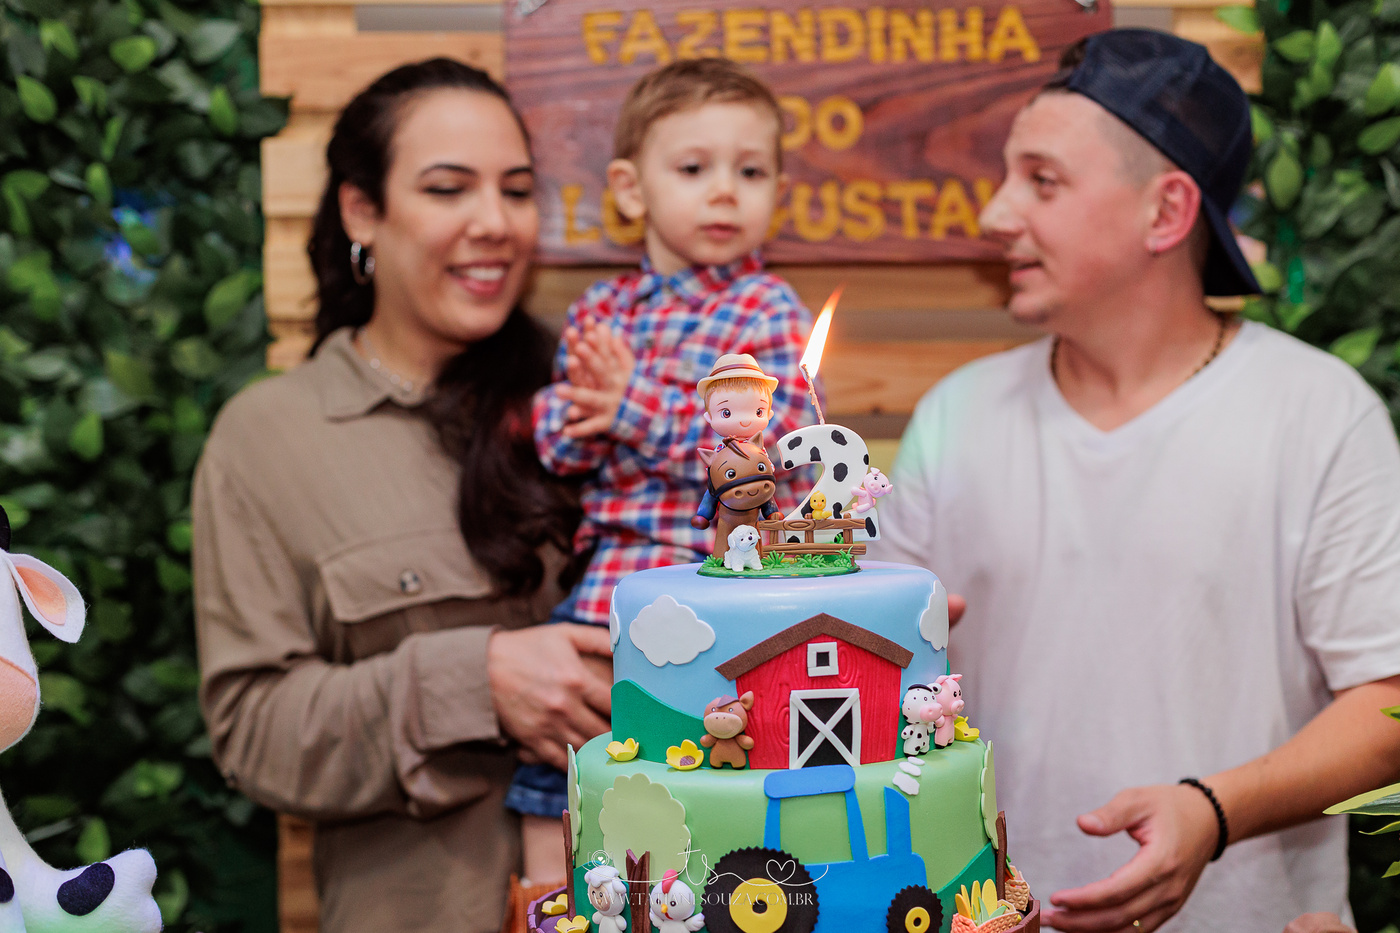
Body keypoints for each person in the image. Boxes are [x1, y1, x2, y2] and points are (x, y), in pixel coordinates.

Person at [871, 30, 1400, 932]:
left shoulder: (1318, 411)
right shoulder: (956, 414)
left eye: (1042, 181)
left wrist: (1214, 810)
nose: (996, 214)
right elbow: (870, 683)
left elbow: (1386, 702)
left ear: (1166, 213)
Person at [192, 59, 612, 933]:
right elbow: (253, 733)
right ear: (362, 211)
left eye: (517, 190)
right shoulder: (270, 438)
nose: (493, 222)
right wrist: (473, 681)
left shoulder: (586, 404)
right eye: (448, 188)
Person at [523, 58, 814, 880]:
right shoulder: (601, 310)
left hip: (721, 588)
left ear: (776, 189)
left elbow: (767, 450)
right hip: (607, 590)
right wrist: (589, 414)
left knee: (710, 769)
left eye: (749, 172)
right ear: (630, 188)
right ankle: (549, 899)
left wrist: (630, 407)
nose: (724, 191)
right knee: (563, 768)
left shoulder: (767, 310)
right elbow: (558, 444)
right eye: (693, 168)